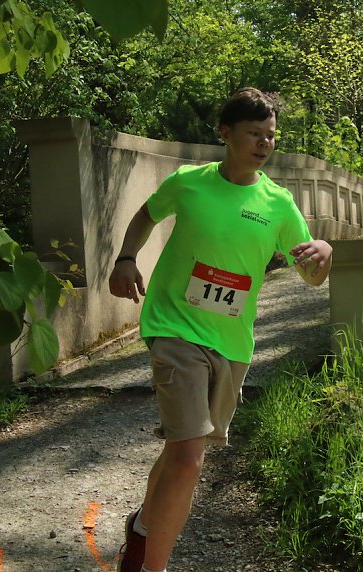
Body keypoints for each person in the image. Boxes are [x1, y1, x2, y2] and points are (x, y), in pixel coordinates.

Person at [108, 87, 332, 572]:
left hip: (232, 344)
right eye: (255, 133)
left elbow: (310, 275)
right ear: (225, 133)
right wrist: (126, 258)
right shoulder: (189, 182)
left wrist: (325, 253)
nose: (265, 144)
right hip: (174, 327)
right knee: (189, 456)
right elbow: (146, 215)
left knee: (182, 453)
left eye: (271, 136)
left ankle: (143, 530)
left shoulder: (278, 202)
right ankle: (152, 567)